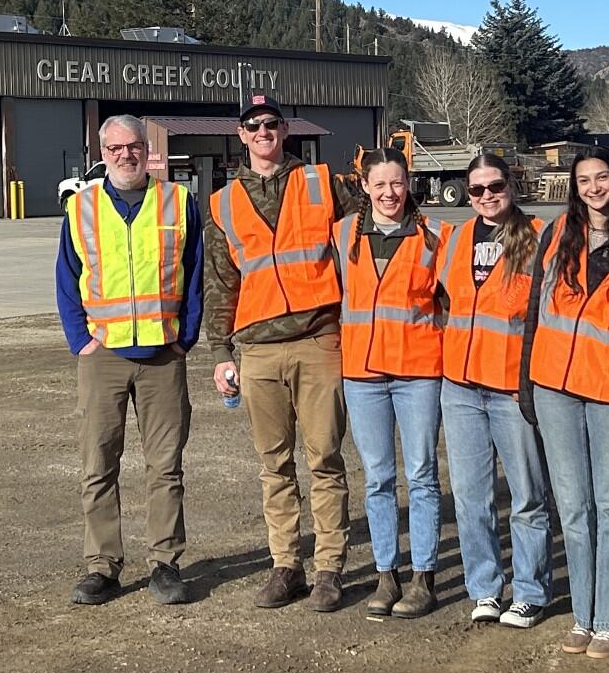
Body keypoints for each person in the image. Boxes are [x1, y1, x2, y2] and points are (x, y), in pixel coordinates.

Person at [206, 94, 365, 612]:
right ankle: (286, 566)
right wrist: (221, 350)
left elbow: (369, 236)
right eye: (253, 125)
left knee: (325, 460)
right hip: (257, 349)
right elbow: (220, 282)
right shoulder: (223, 202)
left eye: (272, 123)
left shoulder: (323, 183)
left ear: (285, 130)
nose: (263, 132)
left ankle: (329, 570)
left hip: (318, 340)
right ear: (241, 134)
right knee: (274, 465)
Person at [518, 146, 609, 657]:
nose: (593, 188)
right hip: (555, 389)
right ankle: (584, 614)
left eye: (601, 177)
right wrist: (527, 384)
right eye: (584, 180)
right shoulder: (557, 234)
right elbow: (535, 314)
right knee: (574, 507)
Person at [56, 115, 203, 607]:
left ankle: (165, 563)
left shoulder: (178, 201)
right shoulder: (81, 207)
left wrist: (185, 337)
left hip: (163, 354)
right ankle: (102, 566)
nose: (126, 155)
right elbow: (66, 277)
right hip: (104, 355)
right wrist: (81, 341)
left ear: (147, 150)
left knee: (165, 465)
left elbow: (195, 271)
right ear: (103, 153)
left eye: (133, 146)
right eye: (115, 148)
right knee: (98, 463)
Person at [434, 151, 553, 628]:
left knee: (527, 495)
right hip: (461, 387)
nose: (487, 196)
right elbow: (443, 300)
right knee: (470, 496)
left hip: (511, 389)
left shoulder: (540, 236)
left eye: (496, 186)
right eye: (477, 189)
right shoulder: (456, 238)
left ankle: (530, 591)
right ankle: (484, 588)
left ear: (512, 186)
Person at [334, 149, 447, 620]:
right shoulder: (343, 234)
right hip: (363, 376)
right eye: (379, 184)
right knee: (378, 478)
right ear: (364, 185)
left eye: (397, 183)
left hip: (418, 372)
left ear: (409, 182)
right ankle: (387, 574)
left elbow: (456, 304)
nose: (389, 193)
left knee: (421, 475)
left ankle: (423, 577)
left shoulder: (436, 236)